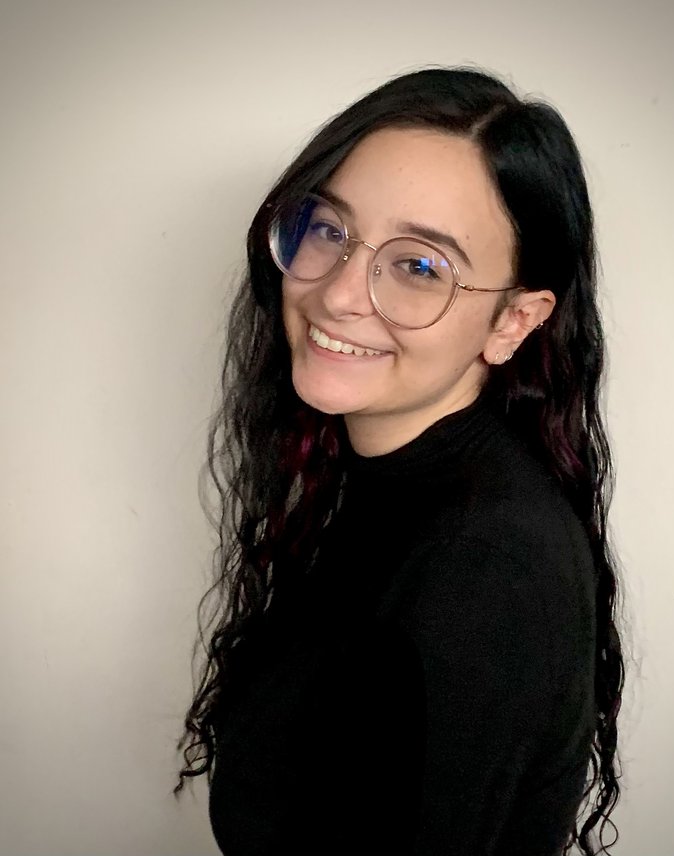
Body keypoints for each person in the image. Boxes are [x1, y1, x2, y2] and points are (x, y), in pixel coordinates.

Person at [175, 66, 625, 855]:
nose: (341, 293)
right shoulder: (379, 484)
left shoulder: (486, 567)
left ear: (513, 321)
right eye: (330, 230)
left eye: (419, 267)